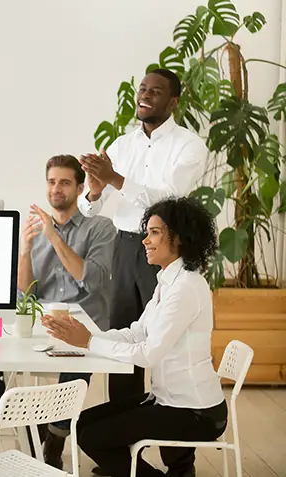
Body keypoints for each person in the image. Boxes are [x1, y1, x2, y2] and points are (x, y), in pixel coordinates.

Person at [43, 197, 227, 477]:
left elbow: (148, 353)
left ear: (178, 238)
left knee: (91, 436)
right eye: (147, 232)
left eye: (154, 233)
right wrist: (89, 337)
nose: (145, 241)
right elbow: (137, 331)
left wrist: (90, 342)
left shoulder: (185, 288)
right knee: (83, 425)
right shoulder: (169, 280)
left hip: (194, 411)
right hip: (167, 399)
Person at [0, 154, 115, 469]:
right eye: (52, 182)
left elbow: (91, 278)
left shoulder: (100, 228)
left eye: (65, 182)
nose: (57, 189)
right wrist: (25, 251)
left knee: (76, 367)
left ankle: (53, 440)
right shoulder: (35, 229)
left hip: (82, 322)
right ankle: (34, 426)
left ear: (80, 188)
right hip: (38, 322)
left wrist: (55, 238)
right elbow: (24, 295)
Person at [78, 69, 208, 404]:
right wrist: (94, 191)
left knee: (166, 341)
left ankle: (177, 441)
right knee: (124, 330)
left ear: (173, 101)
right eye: (143, 89)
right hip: (123, 247)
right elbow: (92, 208)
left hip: (165, 248)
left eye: (156, 91)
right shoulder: (121, 145)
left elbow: (169, 201)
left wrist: (116, 179)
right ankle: (122, 431)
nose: (145, 96)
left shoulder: (189, 145)